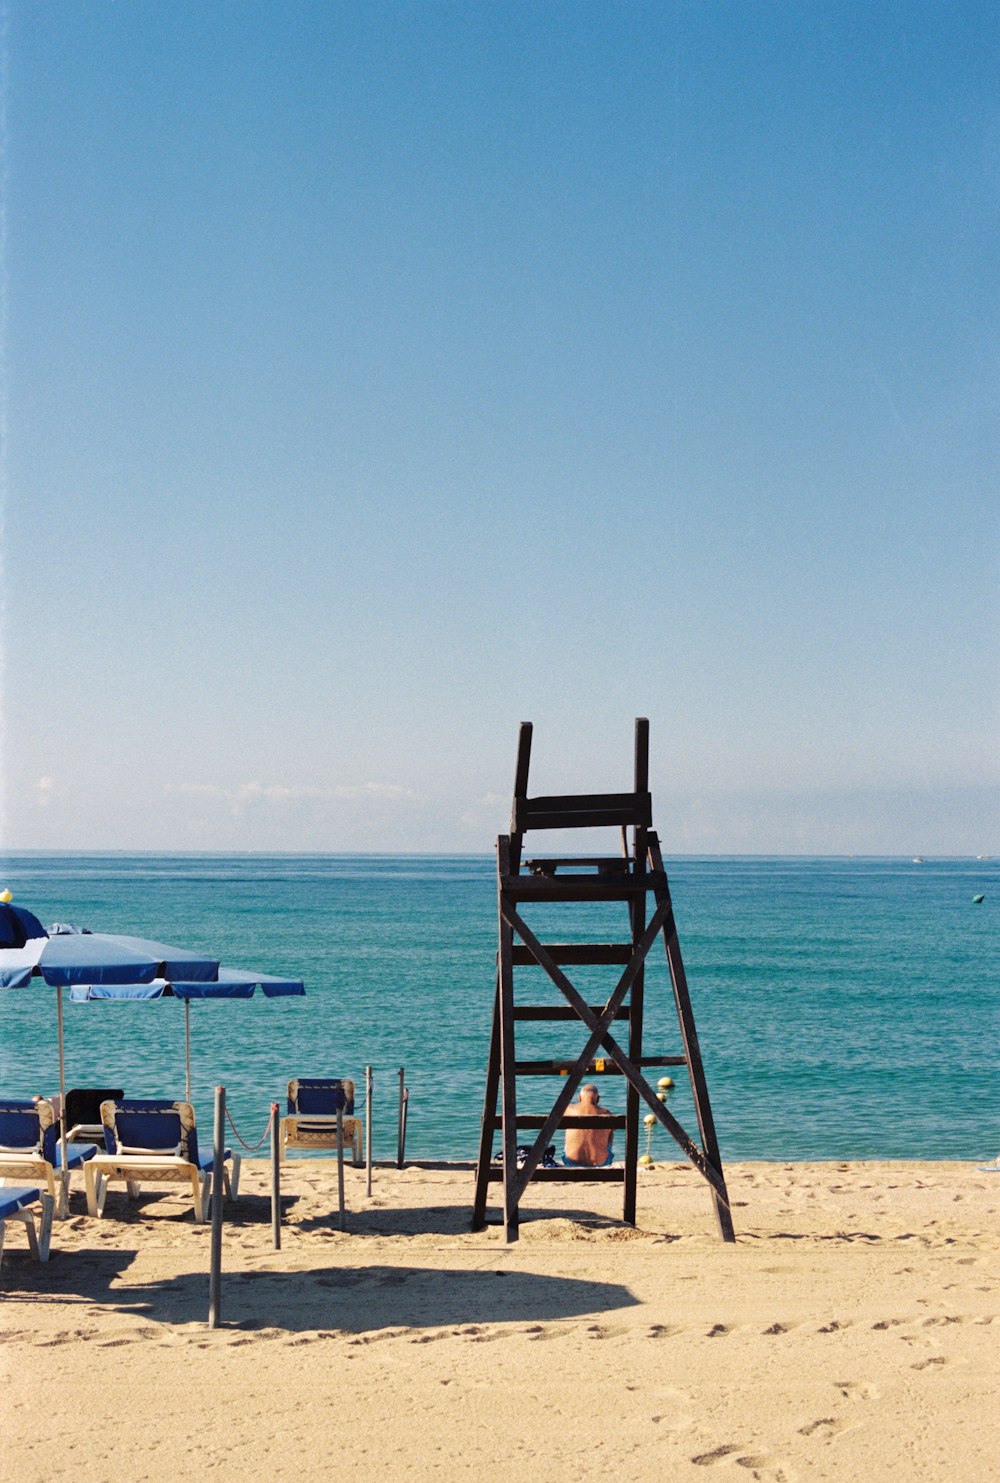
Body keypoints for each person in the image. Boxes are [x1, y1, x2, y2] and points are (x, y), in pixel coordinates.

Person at [563, 1083, 615, 1167]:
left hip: (571, 1161)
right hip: (601, 1163)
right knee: (610, 1131)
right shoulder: (606, 1113)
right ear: (597, 1099)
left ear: (579, 1097)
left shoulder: (568, 1110)